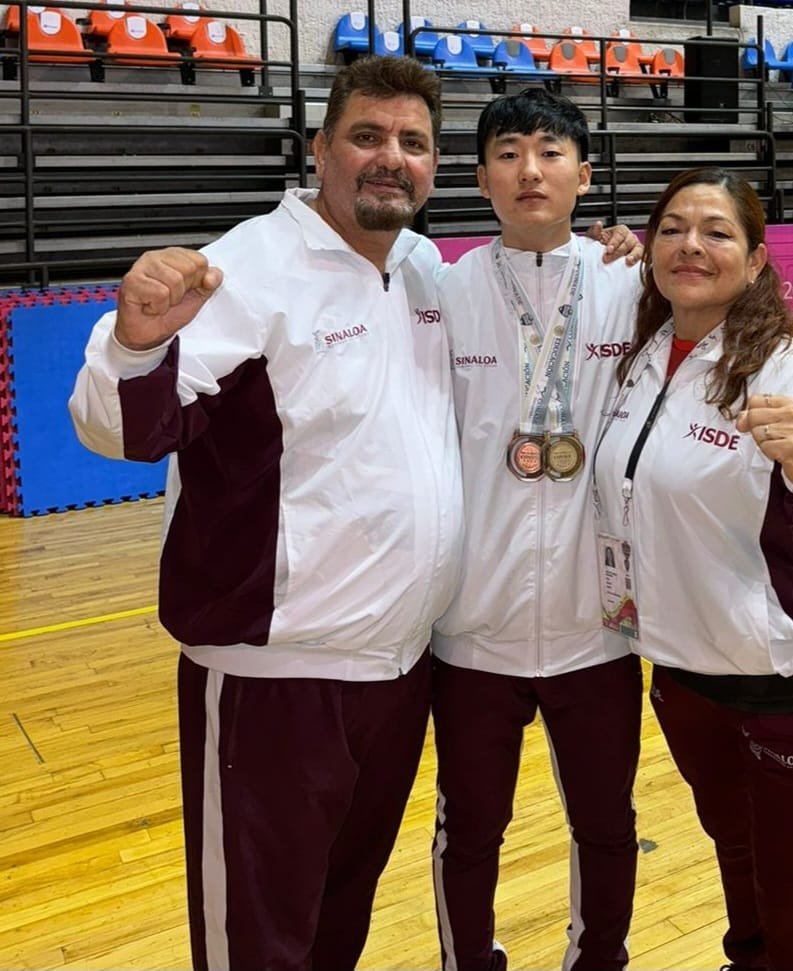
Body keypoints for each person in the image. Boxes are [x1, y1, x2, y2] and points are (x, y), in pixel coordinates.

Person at [68, 56, 463, 971]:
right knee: (257, 945)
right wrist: (133, 343)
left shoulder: (423, 269)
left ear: (435, 165)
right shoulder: (245, 269)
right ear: (319, 149)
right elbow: (117, 429)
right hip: (272, 684)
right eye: (367, 136)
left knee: (337, 924)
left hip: (400, 672)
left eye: (412, 142)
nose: (391, 157)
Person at [591, 167, 793, 971]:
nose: (691, 245)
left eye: (717, 232)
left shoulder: (792, 373)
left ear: (756, 259)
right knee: (743, 872)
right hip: (688, 681)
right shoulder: (642, 354)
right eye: (672, 228)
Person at [430, 88, 644, 971]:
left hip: (597, 625)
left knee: (607, 822)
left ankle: (598, 961)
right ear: (481, 178)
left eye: (551, 152)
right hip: (472, 625)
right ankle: (467, 961)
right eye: (508, 152)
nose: (530, 169)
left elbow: (731, 333)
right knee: (470, 826)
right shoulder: (442, 292)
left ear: (584, 176)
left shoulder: (633, 285)